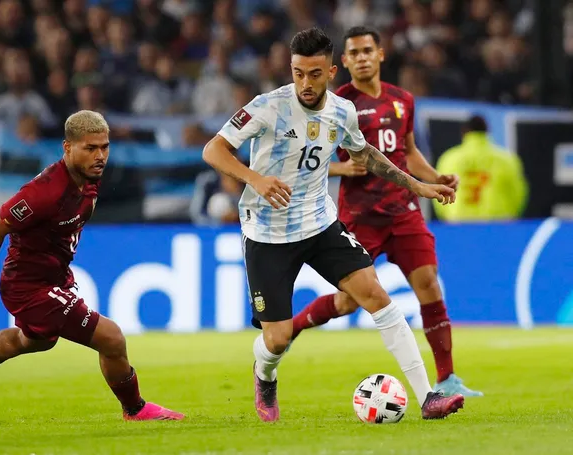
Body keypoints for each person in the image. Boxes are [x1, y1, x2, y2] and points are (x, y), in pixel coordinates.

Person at [202, 27, 464, 423]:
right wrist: (255, 179)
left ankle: (428, 396)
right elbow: (213, 149)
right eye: (298, 73)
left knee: (376, 295)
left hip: (320, 224)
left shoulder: (343, 112)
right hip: (268, 234)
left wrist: (418, 186)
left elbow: (370, 156)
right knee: (277, 338)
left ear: (331, 72)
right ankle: (264, 374)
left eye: (314, 74)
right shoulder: (267, 106)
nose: (305, 83)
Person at [0, 110, 183, 421]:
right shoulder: (44, 192)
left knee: (31, 342)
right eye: (90, 148)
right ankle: (135, 409)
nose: (100, 156)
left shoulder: (88, 176)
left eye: (104, 147)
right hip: (30, 287)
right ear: (67, 147)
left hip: (53, 277)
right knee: (112, 338)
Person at [290, 26, 483, 398]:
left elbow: (408, 153)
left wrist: (435, 176)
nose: (361, 57)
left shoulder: (403, 100)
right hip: (361, 216)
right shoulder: (337, 104)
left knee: (428, 282)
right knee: (348, 301)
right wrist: (342, 168)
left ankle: (447, 378)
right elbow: (303, 158)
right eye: (354, 53)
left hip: (404, 211)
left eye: (367, 50)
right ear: (343, 61)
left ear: (380, 54)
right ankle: (294, 326)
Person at [434, 115, 528, 222]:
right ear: (487, 131)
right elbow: (518, 193)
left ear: (464, 132)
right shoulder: (506, 159)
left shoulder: (449, 158)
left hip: (459, 223)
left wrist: (447, 217)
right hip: (498, 223)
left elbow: (439, 193)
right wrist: (511, 215)